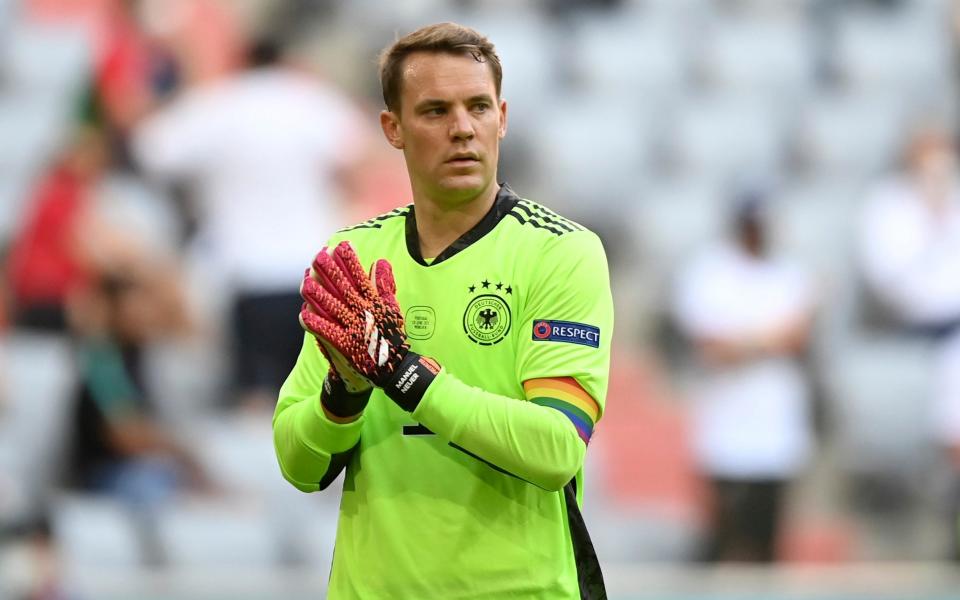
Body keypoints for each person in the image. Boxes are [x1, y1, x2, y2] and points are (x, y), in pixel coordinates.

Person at [273, 23, 613, 599]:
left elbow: (557, 448)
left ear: (501, 118)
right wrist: (343, 394)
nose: (462, 129)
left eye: (478, 107)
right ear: (393, 128)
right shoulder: (351, 258)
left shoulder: (561, 252)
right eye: (434, 111)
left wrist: (408, 378)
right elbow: (298, 464)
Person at [132, 36, 370, 410]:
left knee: (256, 398)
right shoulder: (310, 99)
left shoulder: (220, 101)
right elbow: (359, 152)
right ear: (285, 61)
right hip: (310, 270)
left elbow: (151, 148)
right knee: (312, 391)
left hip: (244, 272)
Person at [671, 187, 817, 562]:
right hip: (725, 427)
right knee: (720, 538)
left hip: (776, 424)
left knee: (768, 542)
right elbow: (712, 347)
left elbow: (799, 338)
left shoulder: (789, 272)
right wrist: (769, 339)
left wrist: (744, 341)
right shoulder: (712, 270)